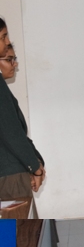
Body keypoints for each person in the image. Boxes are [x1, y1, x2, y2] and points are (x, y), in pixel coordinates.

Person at [0, 18, 46, 217]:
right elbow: (11, 133)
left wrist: (36, 162)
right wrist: (35, 167)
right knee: (17, 234)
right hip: (9, 176)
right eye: (3, 37)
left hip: (9, 173)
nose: (7, 41)